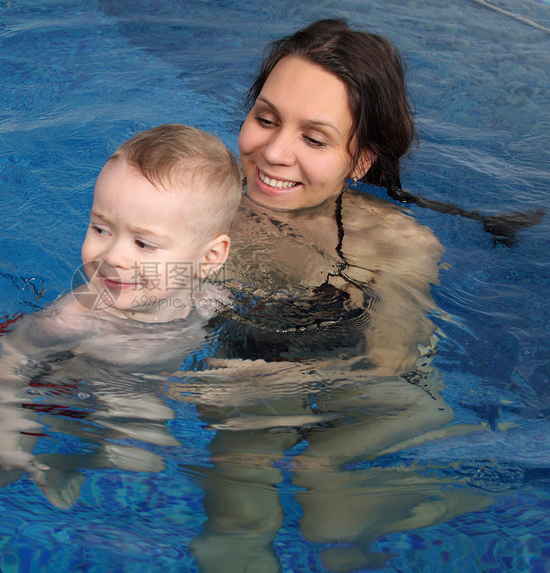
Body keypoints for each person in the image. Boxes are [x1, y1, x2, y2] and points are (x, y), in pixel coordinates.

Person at [172, 20, 493, 572]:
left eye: (313, 138)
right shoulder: (199, 203)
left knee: (329, 514)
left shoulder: (393, 244)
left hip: (370, 399)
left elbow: (392, 364)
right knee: (234, 513)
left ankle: (458, 487)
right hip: (253, 371)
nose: (273, 152)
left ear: (362, 160)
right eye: (265, 119)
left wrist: (289, 380)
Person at [0, 124, 243, 506]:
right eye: (101, 228)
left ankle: (61, 463)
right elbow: (10, 360)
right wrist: (3, 422)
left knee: (143, 462)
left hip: (109, 389)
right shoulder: (75, 319)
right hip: (40, 385)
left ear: (209, 258)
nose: (113, 255)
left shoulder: (211, 303)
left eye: (143, 243)